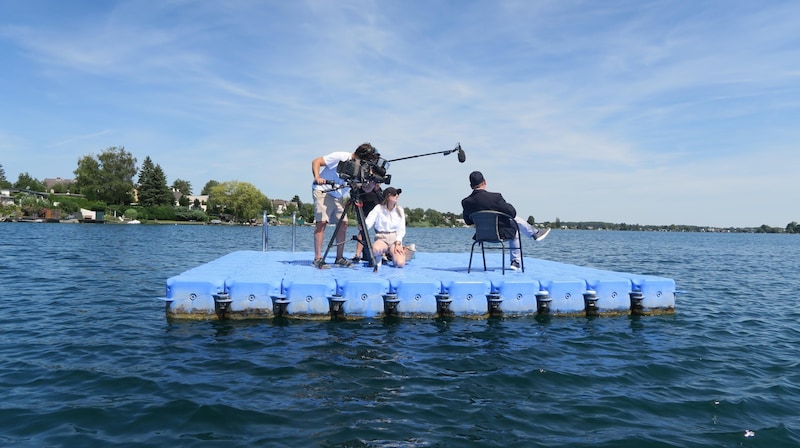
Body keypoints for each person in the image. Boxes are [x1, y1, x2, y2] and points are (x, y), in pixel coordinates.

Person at [461, 171, 550, 270]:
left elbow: (468, 222)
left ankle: (535, 233)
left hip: (482, 236)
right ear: (484, 181)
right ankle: (516, 261)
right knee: (514, 225)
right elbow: (512, 212)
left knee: (513, 220)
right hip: (501, 235)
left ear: (471, 186)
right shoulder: (495, 197)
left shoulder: (466, 202)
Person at [311, 143, 377, 268]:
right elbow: (316, 161)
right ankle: (318, 258)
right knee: (322, 222)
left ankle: (339, 258)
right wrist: (317, 177)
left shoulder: (361, 168)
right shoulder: (341, 156)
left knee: (343, 223)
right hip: (323, 190)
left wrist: (373, 181)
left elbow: (366, 189)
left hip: (337, 195)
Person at [364, 186, 407, 271]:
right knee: (375, 250)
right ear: (387, 197)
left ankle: (401, 252)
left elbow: (401, 228)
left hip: (394, 239)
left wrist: (398, 243)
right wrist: (363, 226)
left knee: (400, 264)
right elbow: (369, 222)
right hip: (382, 238)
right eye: (394, 194)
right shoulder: (378, 208)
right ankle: (380, 255)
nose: (397, 196)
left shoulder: (400, 210)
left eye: (397, 194)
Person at [351, 184, 382, 263]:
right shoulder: (360, 172)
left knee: (379, 228)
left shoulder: (376, 172)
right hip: (361, 198)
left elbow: (378, 184)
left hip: (375, 199)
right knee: (362, 228)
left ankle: (382, 254)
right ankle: (357, 254)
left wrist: (374, 185)